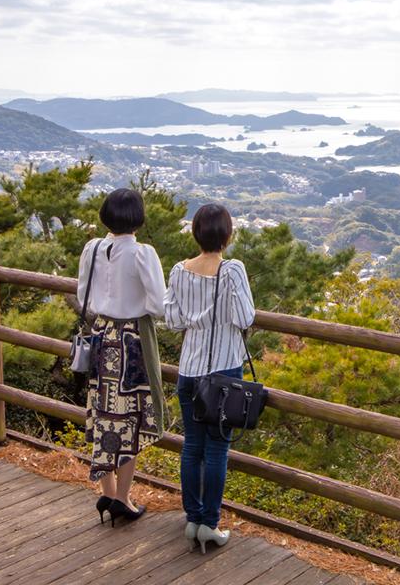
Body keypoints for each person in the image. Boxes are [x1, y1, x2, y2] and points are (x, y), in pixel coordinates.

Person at [163, 203, 256, 553]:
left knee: (192, 447)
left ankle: (192, 519)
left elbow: (172, 319)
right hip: (222, 373)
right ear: (227, 235)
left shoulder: (178, 270)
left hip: (189, 370)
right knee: (217, 450)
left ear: (196, 233)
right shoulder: (232, 270)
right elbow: (245, 317)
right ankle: (210, 524)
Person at [78, 188, 167, 527]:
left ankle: (107, 491)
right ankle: (123, 499)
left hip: (101, 336)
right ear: (138, 218)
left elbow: (81, 293)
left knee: (103, 412)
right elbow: (158, 305)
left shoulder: (93, 248)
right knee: (130, 419)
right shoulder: (143, 254)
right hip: (131, 340)